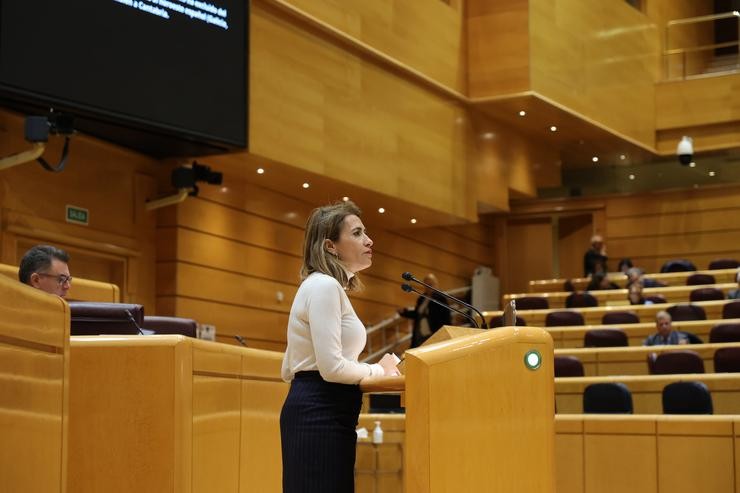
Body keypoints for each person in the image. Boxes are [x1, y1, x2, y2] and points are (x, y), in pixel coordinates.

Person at [280, 201, 399, 493]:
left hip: (321, 409)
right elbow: (331, 368)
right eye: (357, 233)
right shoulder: (324, 287)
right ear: (331, 246)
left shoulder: (321, 286)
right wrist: (376, 370)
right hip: (320, 413)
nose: (369, 240)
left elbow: (287, 369)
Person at [399, 273, 451, 348]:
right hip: (419, 334)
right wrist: (404, 313)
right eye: (426, 285)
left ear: (436, 284)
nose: (428, 287)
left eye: (430, 284)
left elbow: (446, 318)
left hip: (434, 334)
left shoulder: (441, 298)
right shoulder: (422, 298)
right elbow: (417, 314)